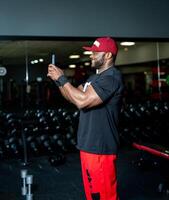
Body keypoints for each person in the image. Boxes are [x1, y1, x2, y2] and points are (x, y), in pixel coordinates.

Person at [47, 37, 124, 200]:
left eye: (96, 53)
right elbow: (74, 97)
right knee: (93, 194)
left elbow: (82, 101)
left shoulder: (111, 77)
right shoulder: (93, 78)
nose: (91, 55)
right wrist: (58, 81)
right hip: (89, 146)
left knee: (103, 196)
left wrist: (62, 79)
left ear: (108, 55)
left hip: (100, 148)